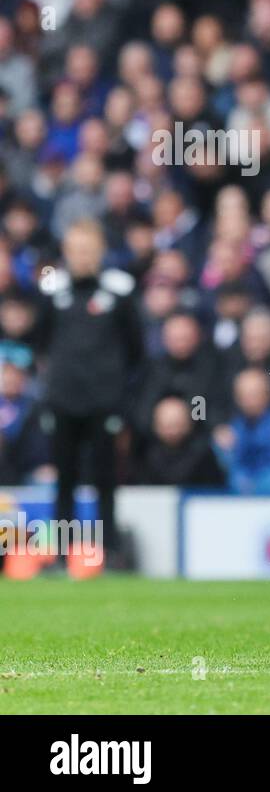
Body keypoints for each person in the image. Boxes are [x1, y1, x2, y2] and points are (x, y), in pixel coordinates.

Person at [34, 219, 142, 568]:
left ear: (100, 252)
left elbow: (136, 348)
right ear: (66, 252)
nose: (81, 257)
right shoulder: (52, 290)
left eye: (88, 250)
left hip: (104, 402)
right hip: (63, 400)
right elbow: (40, 341)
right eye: (75, 250)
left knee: (105, 479)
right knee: (63, 478)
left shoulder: (120, 290)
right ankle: (62, 556)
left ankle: (110, 552)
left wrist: (118, 392)